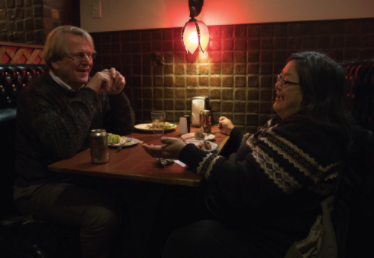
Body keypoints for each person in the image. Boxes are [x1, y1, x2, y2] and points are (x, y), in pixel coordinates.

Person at [142, 51, 354, 258]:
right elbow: (266, 158)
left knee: (178, 233)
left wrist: (186, 152)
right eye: (279, 77)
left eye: (286, 81)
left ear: (314, 92)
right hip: (253, 218)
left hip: (267, 238)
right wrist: (234, 133)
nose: (277, 84)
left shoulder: (307, 135)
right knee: (171, 203)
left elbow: (242, 184)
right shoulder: (292, 123)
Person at [13, 26, 135, 258]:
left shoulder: (90, 91)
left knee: (142, 194)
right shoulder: (36, 94)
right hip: (38, 187)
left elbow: (124, 130)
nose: (87, 62)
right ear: (55, 62)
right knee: (102, 215)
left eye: (90, 55)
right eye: (78, 55)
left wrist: (117, 96)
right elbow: (64, 144)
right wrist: (90, 91)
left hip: (84, 177)